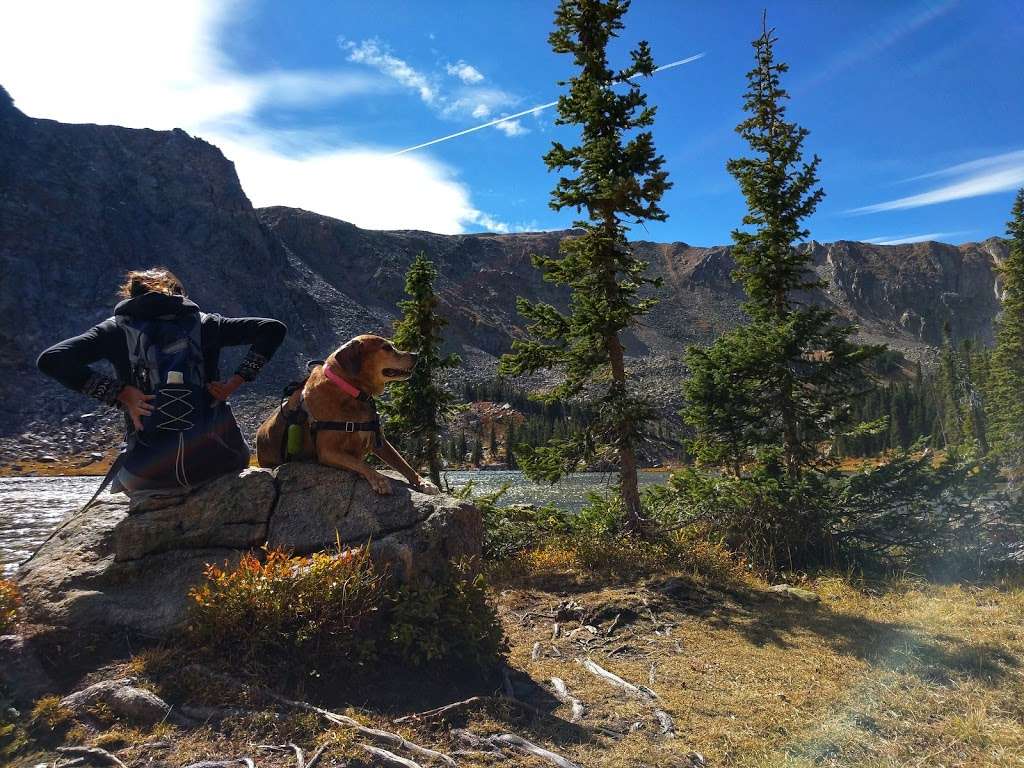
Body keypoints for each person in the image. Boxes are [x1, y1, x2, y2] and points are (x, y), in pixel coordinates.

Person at [37, 267, 286, 495]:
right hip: (220, 461)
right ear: (179, 293)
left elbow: (51, 359)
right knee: (234, 451)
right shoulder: (207, 325)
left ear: (130, 296)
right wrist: (236, 380)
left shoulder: (114, 330)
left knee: (122, 482)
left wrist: (121, 393)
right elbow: (273, 329)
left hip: (147, 475)